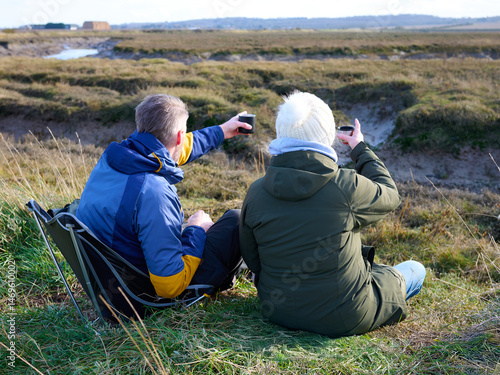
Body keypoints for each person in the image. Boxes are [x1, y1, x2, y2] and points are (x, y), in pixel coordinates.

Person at [240, 91, 426, 338]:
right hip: (345, 316)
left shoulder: (255, 192)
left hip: (276, 311)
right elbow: (390, 195)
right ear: (328, 134)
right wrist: (359, 148)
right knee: (415, 269)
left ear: (279, 132)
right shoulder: (348, 186)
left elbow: (253, 261)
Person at [76, 94, 252, 300]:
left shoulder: (115, 158)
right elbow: (169, 286)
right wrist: (196, 230)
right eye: (183, 135)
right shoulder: (153, 191)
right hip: (143, 294)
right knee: (235, 220)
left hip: (111, 278)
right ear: (179, 136)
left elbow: (174, 151)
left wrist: (222, 131)